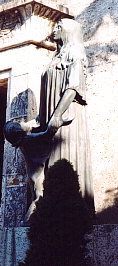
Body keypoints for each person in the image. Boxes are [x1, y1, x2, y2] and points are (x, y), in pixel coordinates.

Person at [37, 18, 94, 209]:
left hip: (65, 118)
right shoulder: (56, 57)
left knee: (63, 157)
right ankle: (50, 209)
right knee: (50, 162)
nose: (54, 30)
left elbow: (73, 87)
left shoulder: (76, 54)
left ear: (68, 32)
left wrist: (56, 116)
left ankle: (68, 209)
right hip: (50, 118)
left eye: (59, 27)